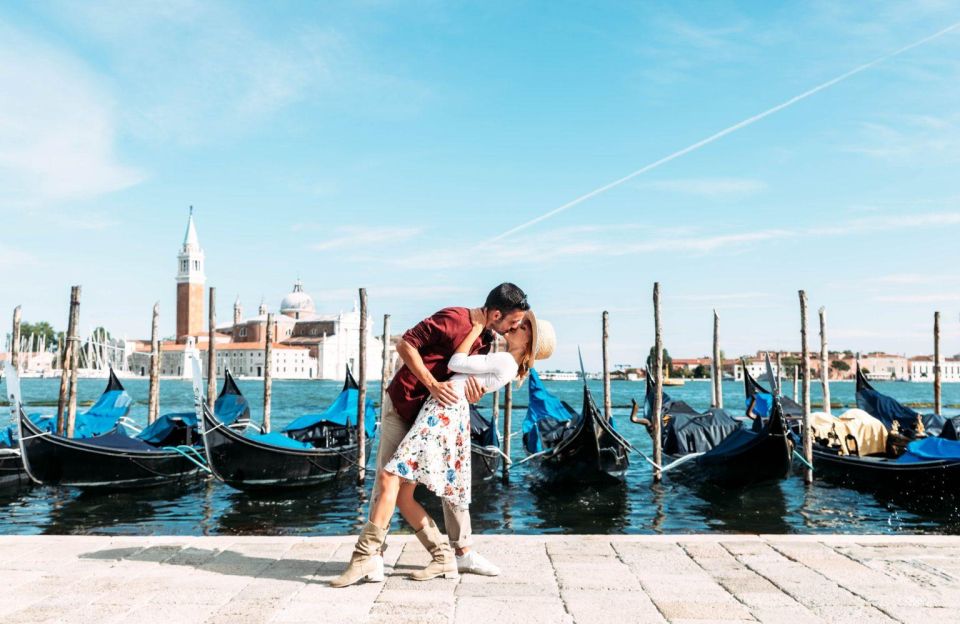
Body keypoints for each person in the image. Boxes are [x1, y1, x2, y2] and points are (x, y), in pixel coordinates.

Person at [331, 284, 554, 587]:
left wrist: (473, 392)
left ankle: (458, 553)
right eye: (515, 322)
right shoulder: (453, 319)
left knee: (449, 480)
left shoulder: (487, 339)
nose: (515, 327)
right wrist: (434, 384)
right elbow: (405, 345)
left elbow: (469, 379)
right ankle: (376, 557)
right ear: (498, 314)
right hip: (405, 403)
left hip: (437, 413)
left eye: (521, 325)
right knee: (388, 477)